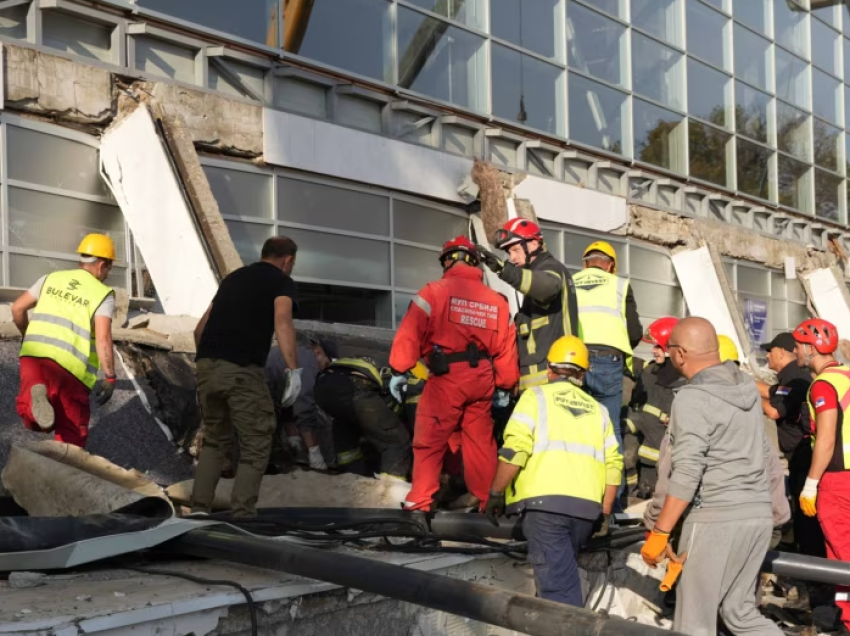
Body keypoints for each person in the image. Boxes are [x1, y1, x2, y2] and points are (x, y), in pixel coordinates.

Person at [641, 318, 782, 636]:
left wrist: (661, 532)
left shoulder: (691, 399)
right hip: (757, 517)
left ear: (679, 354)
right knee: (741, 614)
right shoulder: (745, 386)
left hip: (715, 519)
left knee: (694, 624)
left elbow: (687, 472)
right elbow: (763, 452)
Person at [484, 335, 622, 606]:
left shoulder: (534, 397)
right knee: (554, 582)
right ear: (583, 373)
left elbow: (515, 450)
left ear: (549, 369)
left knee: (559, 594)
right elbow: (614, 465)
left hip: (545, 512)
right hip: (585, 514)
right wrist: (604, 513)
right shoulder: (600, 411)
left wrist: (496, 493)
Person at [390, 236, 519, 511]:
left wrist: (400, 367)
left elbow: (410, 332)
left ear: (447, 260)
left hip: (447, 377)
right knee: (480, 445)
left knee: (430, 441)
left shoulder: (433, 291)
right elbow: (506, 350)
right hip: (482, 380)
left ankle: (420, 504)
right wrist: (506, 385)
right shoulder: (498, 301)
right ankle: (488, 504)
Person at [644, 334, 791, 546]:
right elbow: (773, 469)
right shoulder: (750, 413)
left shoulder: (692, 405)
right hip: (762, 520)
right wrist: (777, 518)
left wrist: (655, 524)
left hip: (714, 523)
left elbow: (675, 474)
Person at [190, 236, 299, 518]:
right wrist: (293, 369)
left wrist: (210, 362)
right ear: (288, 261)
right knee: (257, 441)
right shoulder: (280, 281)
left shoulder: (233, 278)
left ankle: (199, 509)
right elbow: (283, 321)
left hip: (206, 365)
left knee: (215, 440)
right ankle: (243, 515)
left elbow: (199, 329)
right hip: (241, 369)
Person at [12, 234, 118, 448]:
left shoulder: (50, 278)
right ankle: (64, 475)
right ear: (100, 264)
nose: (107, 274)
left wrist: (27, 335)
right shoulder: (102, 293)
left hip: (32, 357)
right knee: (71, 433)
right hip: (69, 369)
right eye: (108, 268)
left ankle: (35, 405)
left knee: (33, 417)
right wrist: (110, 377)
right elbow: (104, 339)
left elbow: (17, 308)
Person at [793, 318, 850, 632]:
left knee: (843, 557)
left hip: (837, 481)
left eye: (797, 346)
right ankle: (843, 616)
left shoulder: (823, 385)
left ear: (809, 347)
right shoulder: (848, 375)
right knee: (839, 557)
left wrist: (811, 485)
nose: (794, 352)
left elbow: (826, 438)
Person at [476, 218, 578, 391]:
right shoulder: (536, 273)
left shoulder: (552, 268)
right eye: (509, 252)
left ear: (533, 244)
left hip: (553, 381)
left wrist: (504, 270)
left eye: (515, 250)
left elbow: (546, 287)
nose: (512, 257)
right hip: (542, 383)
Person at [756, 332, 824, 557]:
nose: (767, 355)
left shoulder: (795, 377)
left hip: (803, 455)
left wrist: (746, 392)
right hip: (798, 455)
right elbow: (771, 393)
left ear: (782, 352)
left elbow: (775, 410)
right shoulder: (788, 377)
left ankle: (812, 570)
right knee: (800, 511)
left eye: (770, 350)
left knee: (807, 518)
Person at [313, 356, 411, 479]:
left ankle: (351, 479)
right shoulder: (399, 383)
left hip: (323, 387)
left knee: (347, 426)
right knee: (397, 441)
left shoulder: (377, 367)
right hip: (356, 388)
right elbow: (387, 417)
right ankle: (390, 490)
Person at [624, 317, 683, 498]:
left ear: (669, 348)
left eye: (657, 346)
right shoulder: (649, 372)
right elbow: (637, 405)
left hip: (670, 463)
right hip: (645, 457)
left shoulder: (684, 380)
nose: (653, 351)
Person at [266, 337, 338, 471]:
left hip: (266, 386)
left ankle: (279, 459)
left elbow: (288, 400)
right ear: (318, 353)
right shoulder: (310, 365)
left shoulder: (299, 354)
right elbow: (304, 410)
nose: (325, 370)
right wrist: (315, 453)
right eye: (326, 364)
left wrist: (294, 439)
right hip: (261, 388)